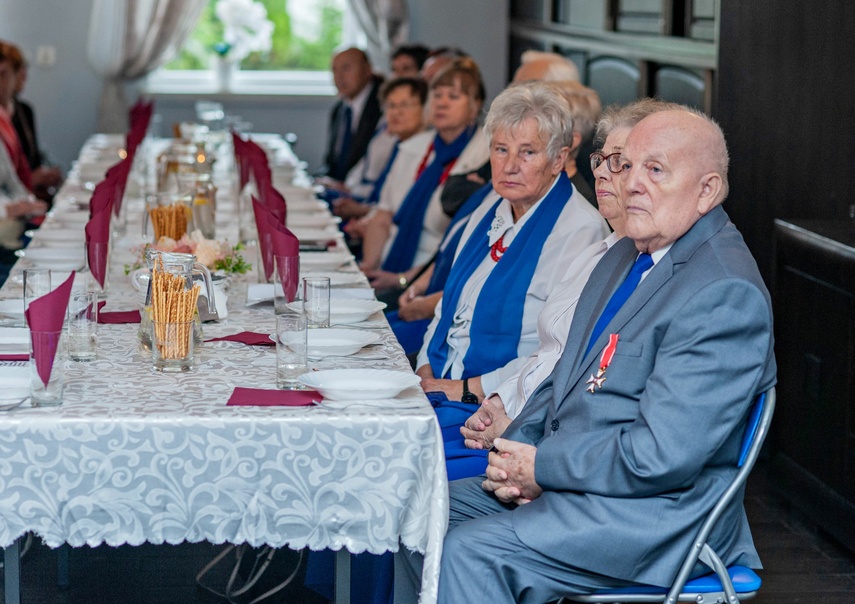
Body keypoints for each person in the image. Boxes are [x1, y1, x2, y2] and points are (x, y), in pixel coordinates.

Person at [398, 107, 777, 603]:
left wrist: (543, 467)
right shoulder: (627, 252)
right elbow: (563, 376)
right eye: (627, 166)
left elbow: (661, 456)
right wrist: (518, 451)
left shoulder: (723, 292)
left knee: (468, 552)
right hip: (582, 485)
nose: (631, 184)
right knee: (413, 516)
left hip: (655, 517)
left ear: (706, 190)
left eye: (655, 170)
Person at [446, 98, 680, 480]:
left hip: (548, 448)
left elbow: (593, 391)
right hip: (515, 417)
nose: (604, 174)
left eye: (621, 163)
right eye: (602, 160)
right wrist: (498, 402)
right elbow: (547, 355)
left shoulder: (624, 256)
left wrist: (503, 416)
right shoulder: (604, 253)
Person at [415, 81, 608, 412]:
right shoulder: (489, 209)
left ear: (558, 159)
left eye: (528, 152)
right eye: (501, 149)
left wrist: (463, 389)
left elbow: (559, 353)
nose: (509, 165)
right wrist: (423, 370)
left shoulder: (581, 231)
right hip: (440, 381)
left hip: (500, 404)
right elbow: (448, 307)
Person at [357, 57, 489, 300]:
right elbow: (383, 217)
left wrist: (403, 279)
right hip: (389, 263)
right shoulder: (412, 148)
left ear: (474, 106)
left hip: (430, 283)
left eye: (454, 96)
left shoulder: (485, 156)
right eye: (437, 95)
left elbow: (457, 249)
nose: (442, 103)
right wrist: (369, 268)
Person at [332, 77, 428, 222]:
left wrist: (360, 211)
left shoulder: (424, 152)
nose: (397, 112)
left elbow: (400, 210)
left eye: (405, 105)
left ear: (425, 108)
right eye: (391, 106)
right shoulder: (398, 146)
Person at [3, 42, 62, 202]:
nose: (24, 75)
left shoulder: (24, 110)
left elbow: (36, 152)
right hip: (16, 199)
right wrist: (31, 180)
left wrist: (50, 170)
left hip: (28, 194)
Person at [320, 47, 383, 182]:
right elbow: (331, 164)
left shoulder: (383, 106)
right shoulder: (339, 110)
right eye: (334, 70)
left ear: (367, 69)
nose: (339, 77)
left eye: (346, 68)